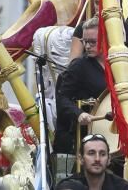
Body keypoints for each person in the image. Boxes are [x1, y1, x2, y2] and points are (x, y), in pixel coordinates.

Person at [55, 18, 108, 153]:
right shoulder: (79, 66)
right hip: (87, 135)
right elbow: (62, 99)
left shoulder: (116, 64)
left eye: (92, 42)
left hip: (112, 130)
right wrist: (79, 114)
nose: (88, 46)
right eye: (85, 42)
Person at [69, 0, 128, 78]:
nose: (100, 7)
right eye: (97, 3)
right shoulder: (83, 28)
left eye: (105, 2)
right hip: (88, 80)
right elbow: (73, 62)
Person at [64, 134, 128, 190]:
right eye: (91, 153)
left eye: (102, 154)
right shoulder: (68, 186)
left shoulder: (122, 187)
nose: (97, 159)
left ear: (109, 159)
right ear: (80, 159)